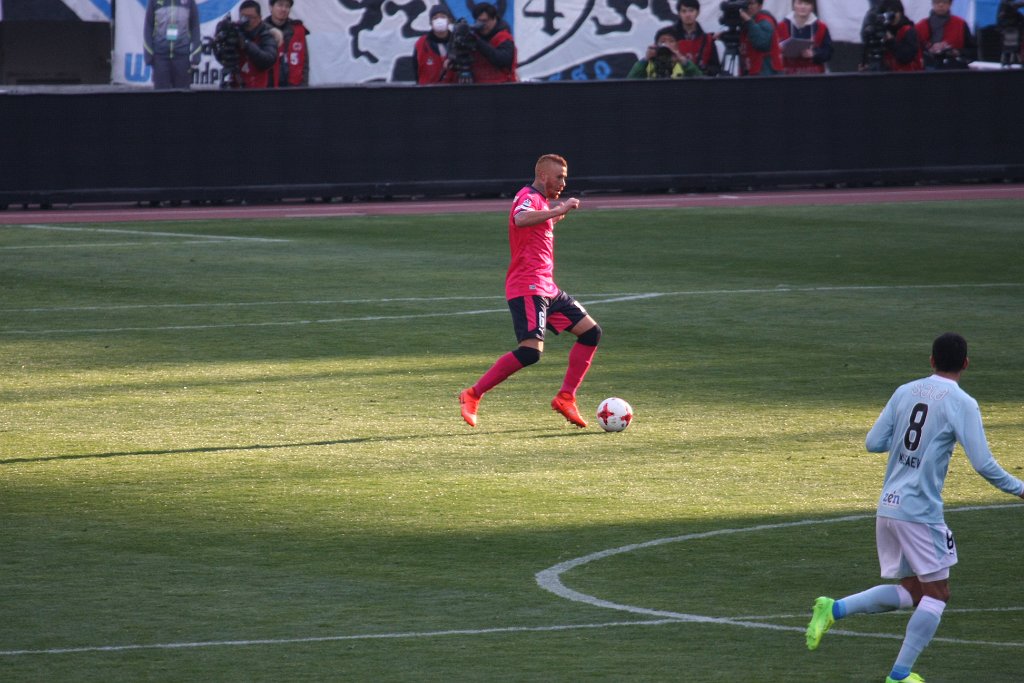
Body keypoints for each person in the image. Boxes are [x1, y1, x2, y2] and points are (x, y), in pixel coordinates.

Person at [805, 333, 1024, 683]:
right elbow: (983, 463)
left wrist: (910, 445)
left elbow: (873, 442)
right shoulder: (962, 402)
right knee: (938, 594)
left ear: (931, 360)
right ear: (966, 364)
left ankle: (834, 608)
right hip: (920, 512)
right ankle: (899, 675)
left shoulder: (905, 391)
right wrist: (1020, 489)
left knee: (914, 590)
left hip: (889, 507)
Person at [459, 154, 600, 429]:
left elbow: (533, 229)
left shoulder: (541, 202)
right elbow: (521, 219)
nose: (563, 183)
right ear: (543, 176)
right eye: (559, 177)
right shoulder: (528, 196)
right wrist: (559, 210)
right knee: (530, 352)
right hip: (528, 286)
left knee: (591, 333)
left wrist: (555, 215)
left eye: (565, 178)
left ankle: (566, 397)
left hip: (547, 287)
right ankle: (473, 394)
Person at [143, 0, 201, 90]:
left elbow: (195, 26)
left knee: (182, 95)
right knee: (161, 94)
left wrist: (196, 53)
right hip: (160, 57)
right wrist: (148, 53)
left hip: (182, 57)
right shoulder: (154, 1)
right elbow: (148, 26)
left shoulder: (189, 1)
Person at [654, 0, 721, 76]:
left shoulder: (707, 40)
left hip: (700, 81)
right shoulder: (665, 35)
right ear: (679, 13)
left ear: (697, 12)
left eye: (691, 11)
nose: (688, 15)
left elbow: (715, 67)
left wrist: (704, 70)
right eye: (684, 11)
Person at [860, 0, 923, 71]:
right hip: (890, 73)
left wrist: (891, 41)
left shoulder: (908, 30)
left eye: (895, 12)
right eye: (889, 12)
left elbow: (906, 57)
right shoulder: (883, 30)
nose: (894, 16)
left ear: (901, 12)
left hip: (909, 74)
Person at [776, 0, 833, 74]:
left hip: (814, 74)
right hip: (787, 73)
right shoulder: (781, 26)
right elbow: (773, 50)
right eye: (799, 3)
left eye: (807, 4)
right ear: (793, 5)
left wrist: (814, 54)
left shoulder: (821, 27)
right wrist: (781, 50)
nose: (803, 7)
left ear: (812, 6)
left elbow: (828, 52)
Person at [915, 0, 975, 70]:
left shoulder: (961, 24)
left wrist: (957, 52)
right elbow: (914, 50)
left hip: (954, 69)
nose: (941, 5)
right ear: (932, 4)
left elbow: (972, 50)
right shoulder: (921, 26)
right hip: (928, 68)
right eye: (937, 2)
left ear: (950, 4)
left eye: (944, 2)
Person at [265, 0, 310, 87]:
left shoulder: (298, 29)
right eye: (280, 5)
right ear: (271, 7)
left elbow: (304, 62)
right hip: (268, 87)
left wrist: (303, 87)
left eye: (287, 6)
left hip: (294, 86)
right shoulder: (261, 30)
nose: (283, 9)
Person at [235, 0, 279, 88]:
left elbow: (267, 61)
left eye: (250, 17)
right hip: (236, 88)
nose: (246, 21)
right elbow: (224, 58)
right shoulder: (236, 32)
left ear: (259, 18)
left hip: (260, 89)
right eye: (243, 17)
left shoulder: (267, 35)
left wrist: (246, 44)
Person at [470, 3, 518, 83]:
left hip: (501, 85)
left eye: (485, 21)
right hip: (477, 84)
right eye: (479, 21)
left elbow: (503, 61)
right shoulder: (473, 37)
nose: (482, 25)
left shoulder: (504, 37)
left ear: (494, 19)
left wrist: (478, 43)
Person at [627, 33, 703, 78]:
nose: (667, 45)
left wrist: (684, 61)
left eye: (671, 41)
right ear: (656, 45)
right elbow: (631, 82)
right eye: (662, 42)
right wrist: (645, 60)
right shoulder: (648, 64)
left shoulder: (684, 65)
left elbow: (700, 81)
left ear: (677, 45)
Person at [738, 0, 783, 75]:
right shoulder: (746, 22)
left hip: (767, 71)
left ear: (760, 6)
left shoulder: (765, 20)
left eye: (751, 3)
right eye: (746, 3)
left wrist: (749, 21)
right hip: (752, 69)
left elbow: (762, 43)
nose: (748, 6)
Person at [413, 4, 455, 84]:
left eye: (443, 17)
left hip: (452, 89)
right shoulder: (421, 43)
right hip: (427, 89)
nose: (439, 20)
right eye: (435, 18)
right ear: (431, 22)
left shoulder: (457, 42)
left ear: (449, 20)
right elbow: (416, 69)